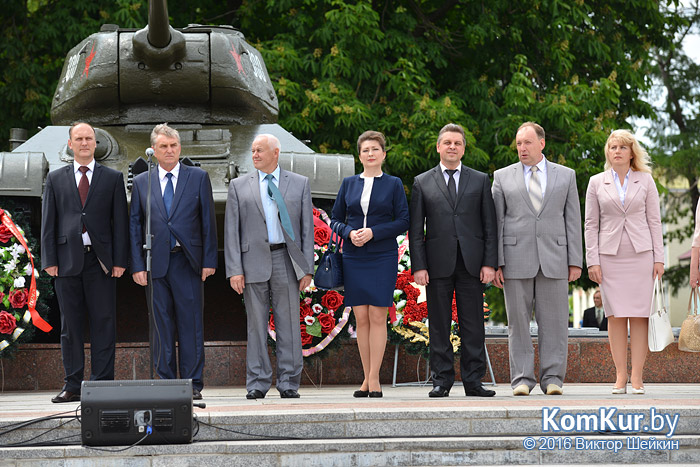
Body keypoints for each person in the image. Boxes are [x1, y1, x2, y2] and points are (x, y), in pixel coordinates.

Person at [492, 121, 582, 397]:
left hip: (555, 257)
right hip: (514, 257)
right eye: (519, 143)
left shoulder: (565, 176)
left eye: (527, 143)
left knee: (555, 323)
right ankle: (521, 379)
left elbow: (572, 219)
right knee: (517, 323)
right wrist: (496, 262)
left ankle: (553, 378)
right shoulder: (501, 176)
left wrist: (575, 260)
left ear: (542, 143)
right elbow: (495, 222)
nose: (522, 148)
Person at [41, 122, 129, 403]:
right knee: (70, 326)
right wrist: (49, 260)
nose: (84, 143)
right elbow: (48, 224)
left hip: (101, 263)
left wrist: (119, 260)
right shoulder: (55, 179)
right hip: (66, 263)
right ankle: (73, 384)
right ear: (70, 143)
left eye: (88, 138)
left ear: (95, 143)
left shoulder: (112, 178)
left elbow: (121, 225)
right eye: (78, 138)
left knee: (104, 323)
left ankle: (102, 383)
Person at [409, 123, 498, 398]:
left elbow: (489, 226)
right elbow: (415, 229)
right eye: (447, 142)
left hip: (472, 264)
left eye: (457, 143)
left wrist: (489, 263)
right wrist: (419, 266)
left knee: (473, 324)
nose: (452, 147)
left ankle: (474, 381)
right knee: (439, 324)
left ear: (463, 148)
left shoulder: (480, 180)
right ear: (438, 147)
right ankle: (441, 380)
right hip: (437, 265)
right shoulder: (422, 182)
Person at [130, 124, 217, 400]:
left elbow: (208, 222)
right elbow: (135, 224)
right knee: (161, 325)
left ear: (179, 148)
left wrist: (208, 260)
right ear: (154, 150)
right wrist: (137, 264)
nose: (169, 151)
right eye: (164, 146)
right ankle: (166, 382)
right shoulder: (143, 181)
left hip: (187, 262)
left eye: (174, 146)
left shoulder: (198, 177)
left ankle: (192, 384)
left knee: (191, 324)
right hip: (155, 264)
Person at [224, 134, 314, 400]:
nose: (255, 155)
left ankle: (289, 382)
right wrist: (234, 269)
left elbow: (307, 230)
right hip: (251, 264)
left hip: (286, 260)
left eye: (260, 151)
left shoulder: (299, 184)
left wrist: (306, 268)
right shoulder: (239, 186)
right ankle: (258, 382)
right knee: (256, 325)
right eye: (252, 151)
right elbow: (232, 231)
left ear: (276, 152)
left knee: (288, 324)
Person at [584, 129, 664, 395]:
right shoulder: (596, 182)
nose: (616, 151)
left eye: (621, 147)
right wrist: (592, 260)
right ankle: (620, 376)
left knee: (640, 317)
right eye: (612, 146)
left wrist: (659, 259)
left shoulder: (646, 180)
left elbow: (655, 221)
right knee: (615, 316)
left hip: (642, 256)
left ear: (632, 153)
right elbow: (590, 224)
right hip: (609, 258)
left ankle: (638, 377)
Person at [331, 131, 409, 398]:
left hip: (382, 255)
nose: (370, 153)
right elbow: (335, 219)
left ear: (383, 154)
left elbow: (403, 220)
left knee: (378, 316)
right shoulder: (348, 183)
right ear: (360, 155)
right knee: (360, 318)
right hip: (353, 255)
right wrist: (349, 233)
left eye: (375, 149)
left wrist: (374, 232)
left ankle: (374, 380)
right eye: (365, 150)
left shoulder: (394, 184)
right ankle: (367, 378)